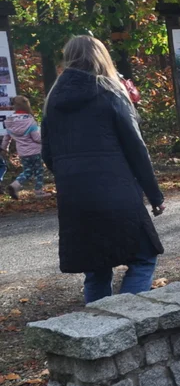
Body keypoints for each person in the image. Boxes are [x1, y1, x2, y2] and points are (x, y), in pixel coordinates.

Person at [41, 36, 166, 304]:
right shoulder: (111, 93)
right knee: (144, 256)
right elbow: (136, 149)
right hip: (117, 191)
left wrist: (72, 176)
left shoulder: (52, 100)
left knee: (96, 268)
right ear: (102, 57)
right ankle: (129, 317)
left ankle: (99, 328)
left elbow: (48, 154)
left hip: (74, 199)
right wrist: (154, 196)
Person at [3, 96, 47, 198]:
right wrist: (45, 139)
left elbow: (6, 137)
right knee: (39, 171)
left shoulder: (10, 121)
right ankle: (39, 191)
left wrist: (4, 148)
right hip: (35, 151)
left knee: (27, 171)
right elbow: (36, 138)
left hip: (23, 152)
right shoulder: (29, 120)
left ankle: (15, 185)